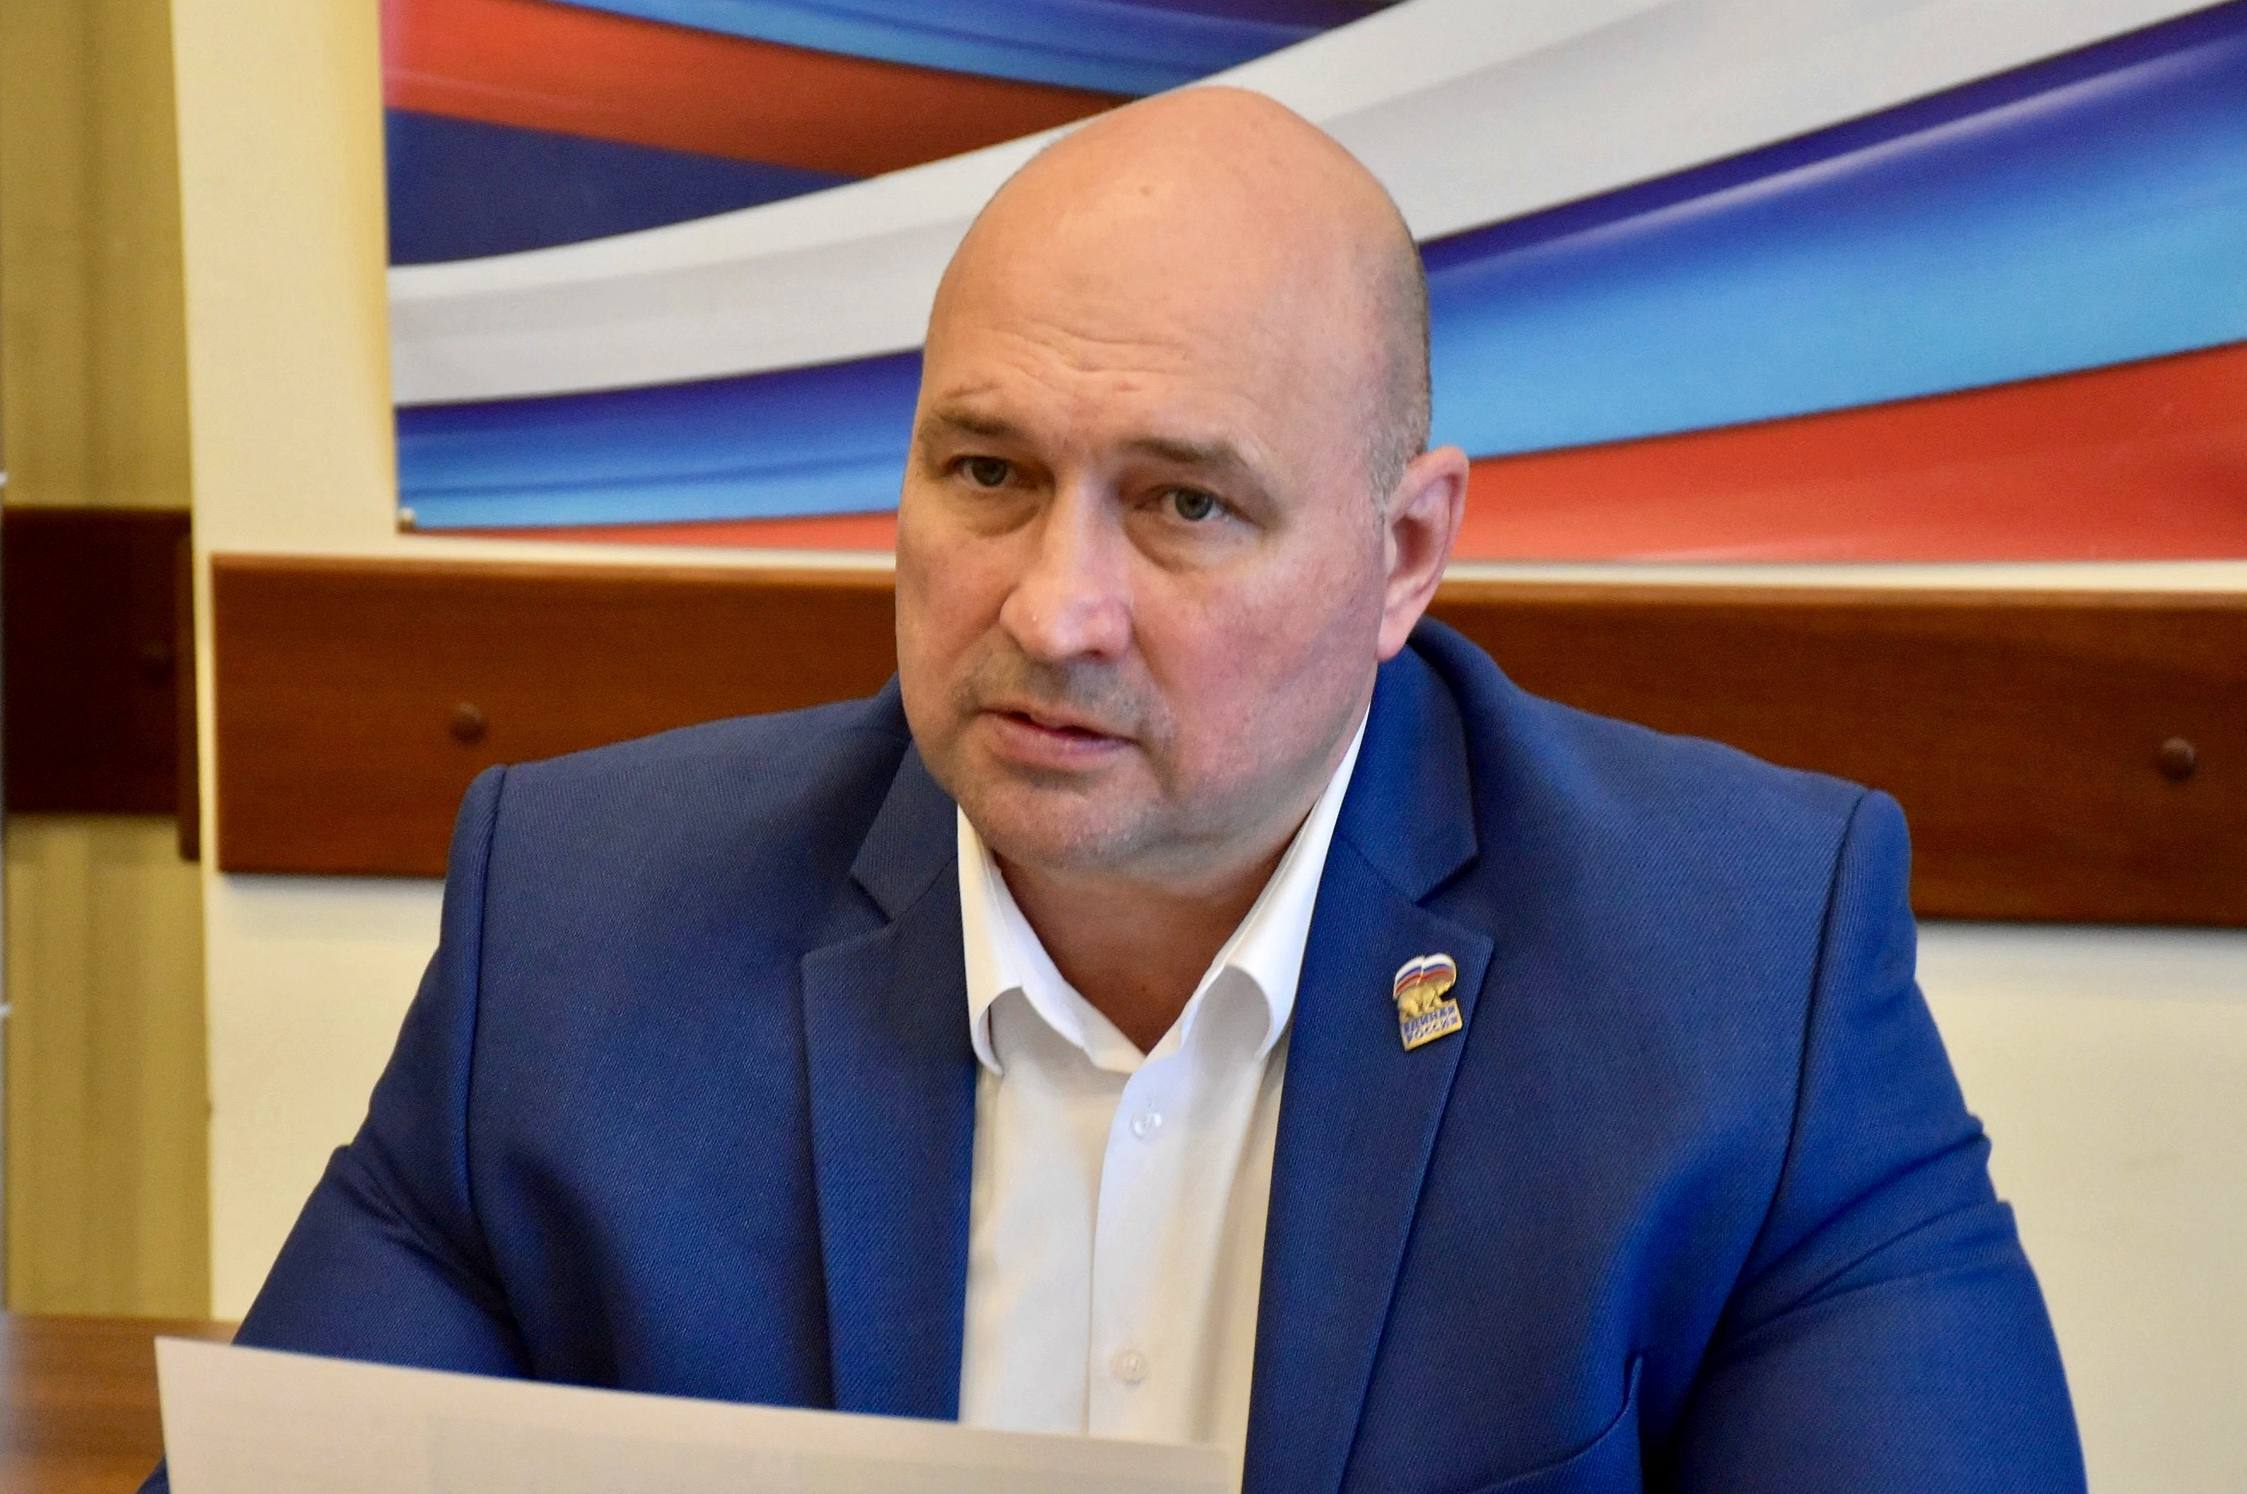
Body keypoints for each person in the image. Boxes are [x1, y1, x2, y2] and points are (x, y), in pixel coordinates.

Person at [147, 88, 2083, 1491]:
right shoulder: (577, 937)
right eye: (987, 474)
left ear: (1402, 555)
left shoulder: (1740, 975)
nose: (1052, 609)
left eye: (1184, 505)